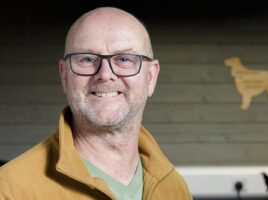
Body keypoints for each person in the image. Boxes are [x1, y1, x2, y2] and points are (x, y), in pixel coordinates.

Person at [0, 7, 192, 200]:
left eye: (124, 59)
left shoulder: (174, 189)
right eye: (87, 59)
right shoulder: (10, 189)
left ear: (151, 77)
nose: (105, 74)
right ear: (64, 76)